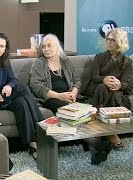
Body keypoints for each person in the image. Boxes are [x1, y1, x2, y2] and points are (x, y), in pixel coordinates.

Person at [30, 34, 113, 165]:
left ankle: (94, 149)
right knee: (71, 113)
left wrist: (73, 93)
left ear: (57, 47)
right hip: (50, 98)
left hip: (69, 97)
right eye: (44, 46)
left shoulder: (65, 61)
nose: (46, 49)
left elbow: (77, 80)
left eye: (49, 46)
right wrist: (59, 95)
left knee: (84, 114)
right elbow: (36, 86)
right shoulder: (40, 63)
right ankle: (95, 143)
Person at [86, 28, 132, 149]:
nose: (108, 42)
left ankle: (99, 130)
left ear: (120, 42)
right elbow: (94, 77)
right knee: (102, 87)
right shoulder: (99, 57)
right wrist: (104, 79)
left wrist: (119, 85)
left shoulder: (127, 61)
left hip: (114, 91)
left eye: (112, 40)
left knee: (112, 92)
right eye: (107, 39)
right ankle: (111, 135)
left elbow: (126, 82)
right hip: (97, 88)